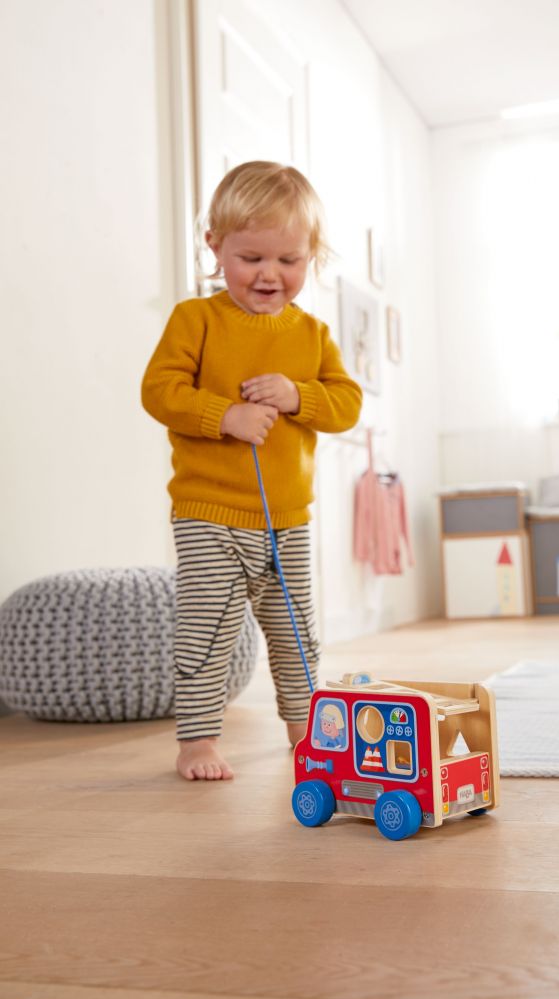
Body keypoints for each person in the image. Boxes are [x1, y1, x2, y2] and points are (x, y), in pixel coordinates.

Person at [141, 161, 362, 782]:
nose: (270, 275)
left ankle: (305, 733)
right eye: (251, 257)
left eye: (289, 260)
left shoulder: (313, 335)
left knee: (296, 635)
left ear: (311, 255)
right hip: (209, 515)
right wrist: (224, 415)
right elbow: (159, 392)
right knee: (207, 632)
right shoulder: (196, 320)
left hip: (287, 521)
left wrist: (298, 396)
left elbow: (346, 404)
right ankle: (198, 743)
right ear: (214, 245)